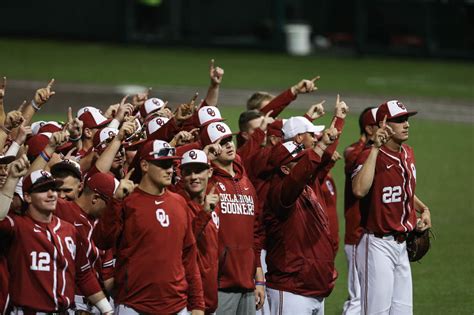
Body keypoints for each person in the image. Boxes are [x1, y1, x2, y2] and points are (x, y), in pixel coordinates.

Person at [93, 139, 205, 314]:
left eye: (171, 164)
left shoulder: (179, 203)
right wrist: (115, 201)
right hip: (134, 305)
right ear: (144, 165)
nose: (170, 170)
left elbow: (189, 256)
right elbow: (102, 241)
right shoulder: (127, 202)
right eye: (163, 164)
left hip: (176, 305)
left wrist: (197, 304)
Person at [0, 161, 113, 314]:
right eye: (43, 189)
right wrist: (12, 179)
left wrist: (107, 310)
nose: (52, 194)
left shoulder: (69, 230)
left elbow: (84, 274)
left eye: (53, 188)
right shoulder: (16, 226)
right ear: (27, 197)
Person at [352, 100, 432, 315]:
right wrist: (375, 148)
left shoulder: (408, 153)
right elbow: (359, 190)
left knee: (403, 312)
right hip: (377, 246)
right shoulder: (369, 156)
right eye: (399, 120)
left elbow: (404, 190)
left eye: (406, 119)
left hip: (401, 246)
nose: (406, 124)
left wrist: (423, 209)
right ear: (384, 125)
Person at [200, 122, 265, 315]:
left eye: (230, 140)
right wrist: (204, 160)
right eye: (222, 142)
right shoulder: (206, 182)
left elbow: (255, 235)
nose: (229, 145)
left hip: (247, 281)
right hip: (218, 283)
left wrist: (259, 278)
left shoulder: (246, 183)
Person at [341, 106, 378, 315]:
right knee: (358, 298)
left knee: (373, 296)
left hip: (374, 236)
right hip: (357, 235)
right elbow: (352, 159)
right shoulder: (355, 151)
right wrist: (369, 143)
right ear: (370, 128)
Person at [178, 149, 220, 314]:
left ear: (209, 172)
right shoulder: (179, 204)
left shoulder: (213, 203)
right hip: (189, 303)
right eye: (188, 172)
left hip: (210, 298)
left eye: (199, 171)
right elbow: (182, 244)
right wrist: (204, 214)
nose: (194, 177)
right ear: (181, 175)